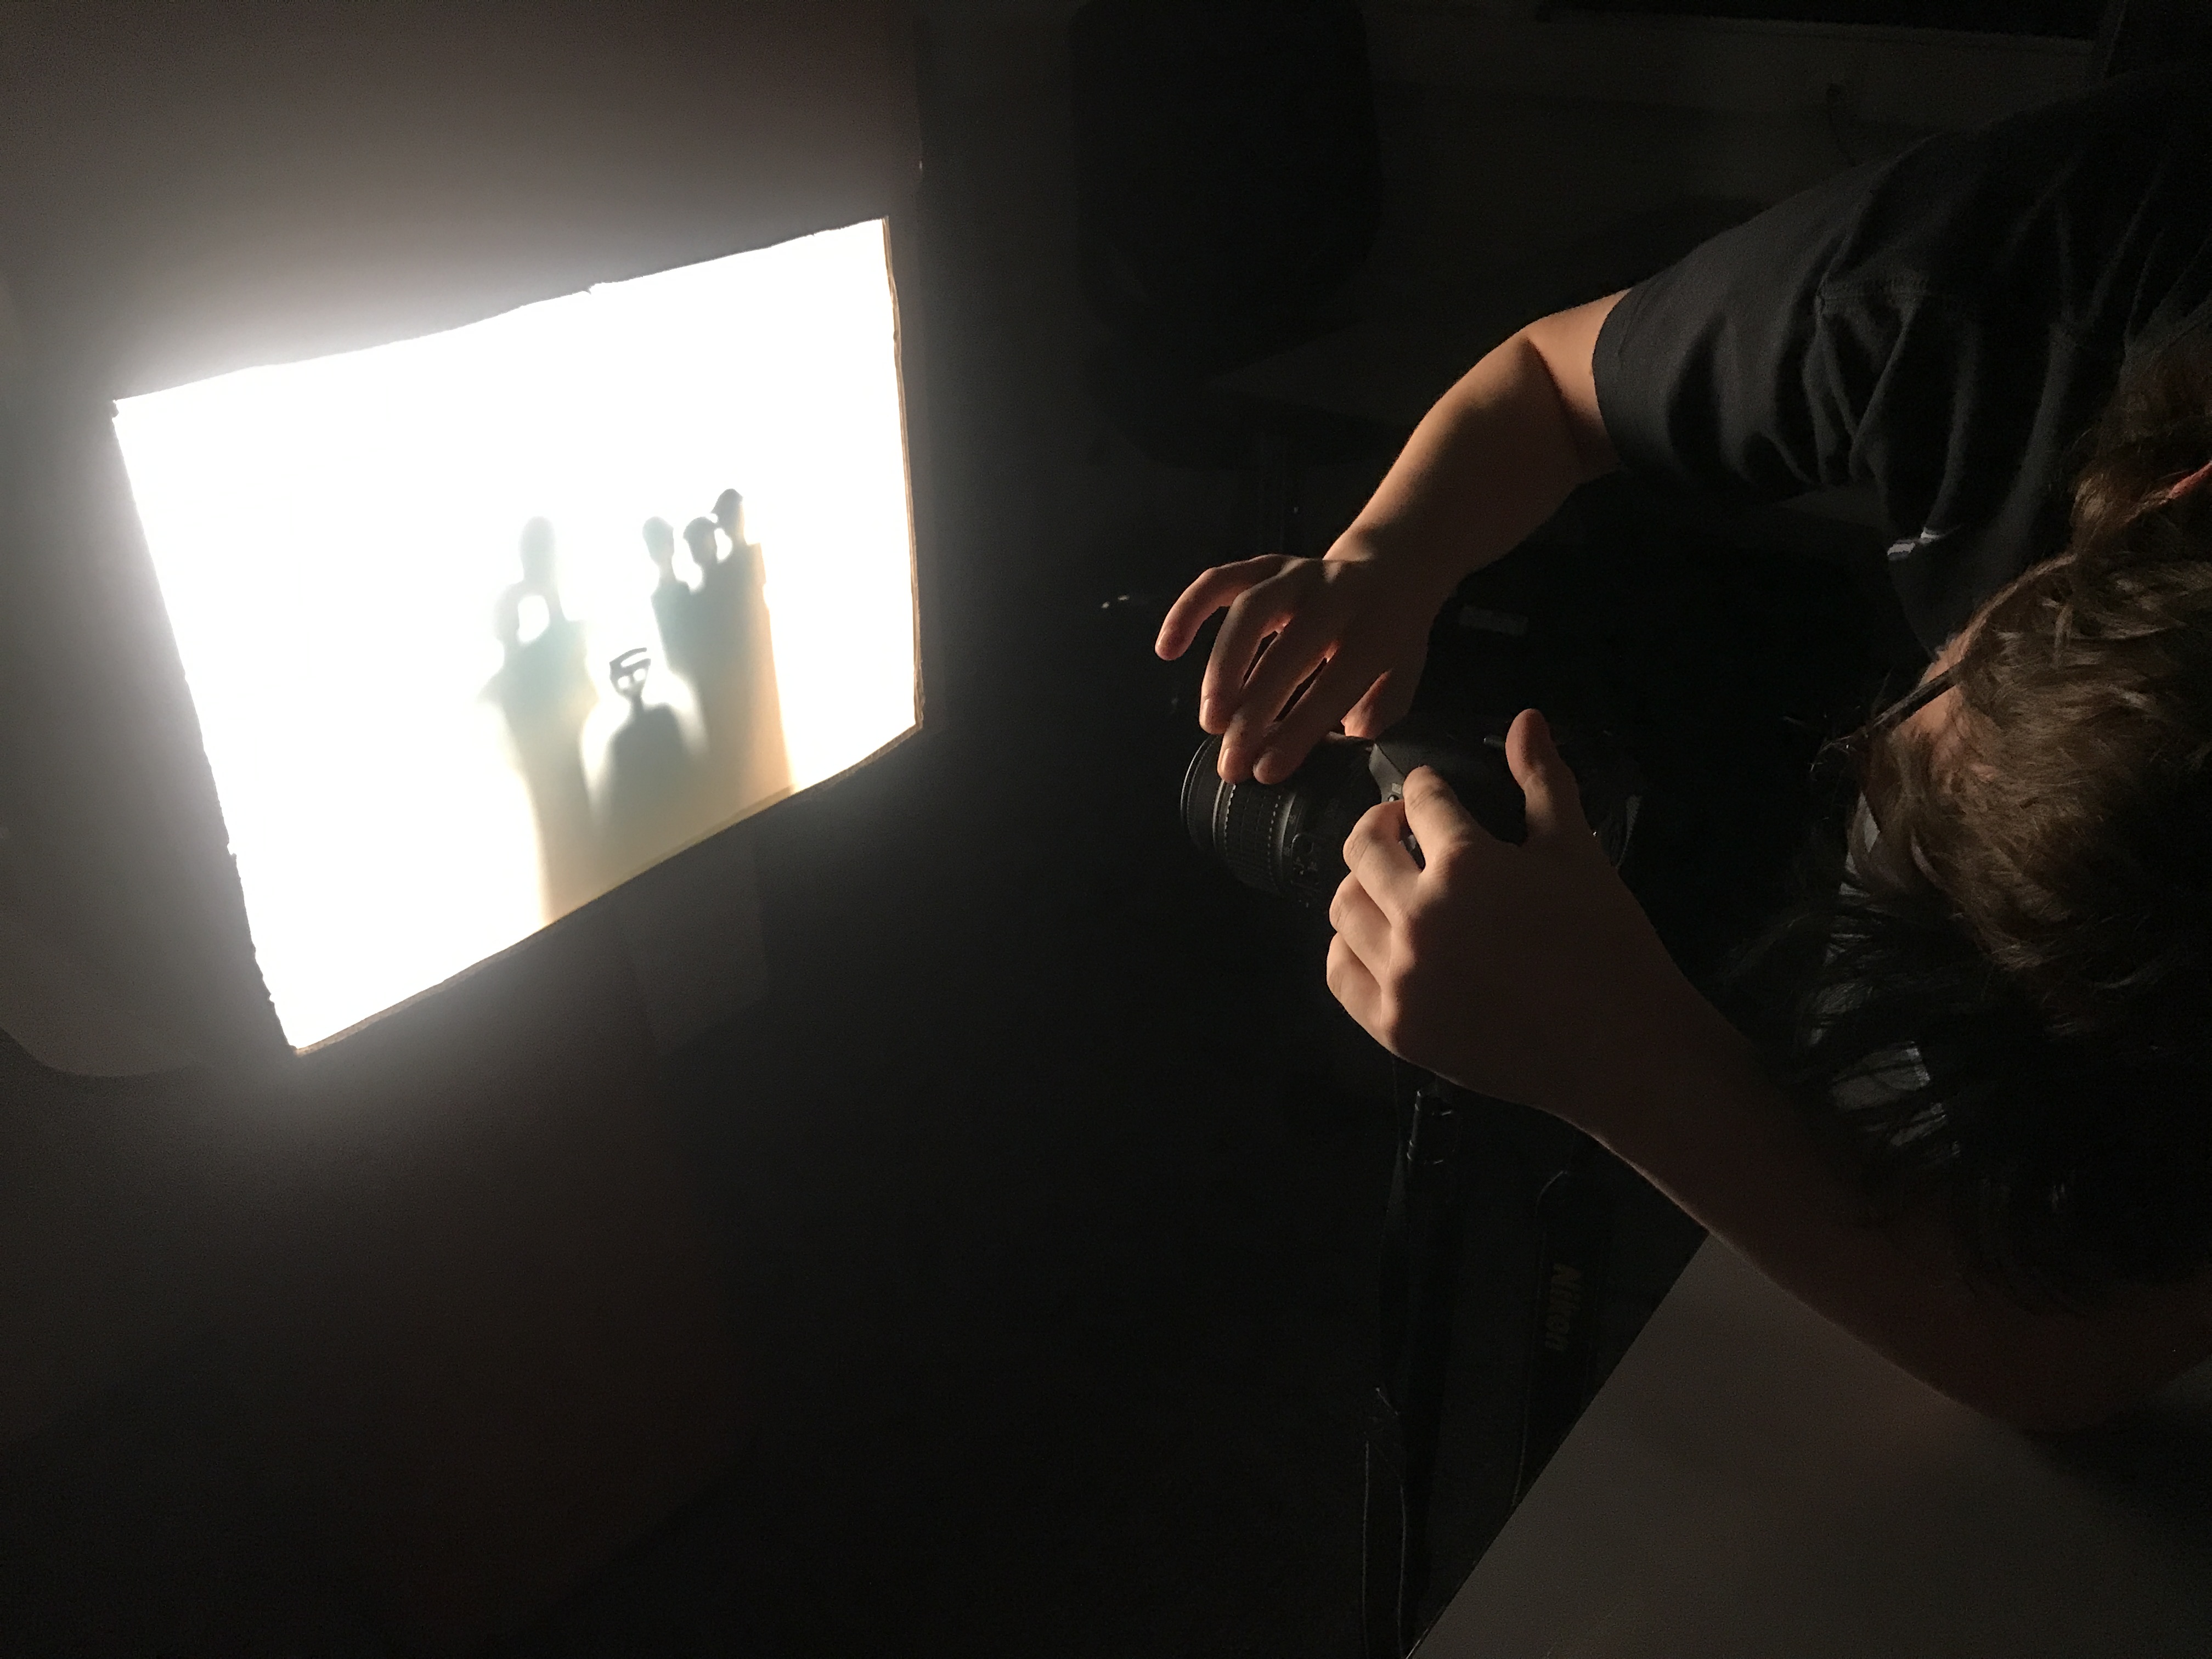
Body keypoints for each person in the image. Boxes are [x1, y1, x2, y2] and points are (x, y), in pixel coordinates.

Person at [1157, 66, 2212, 1431]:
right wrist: (1385, 556)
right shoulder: (2003, 271)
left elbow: (2092, 1348)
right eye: (1952, 695)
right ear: (2168, 499)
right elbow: (1550, 381)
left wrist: (1624, 1067)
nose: (1872, 753)